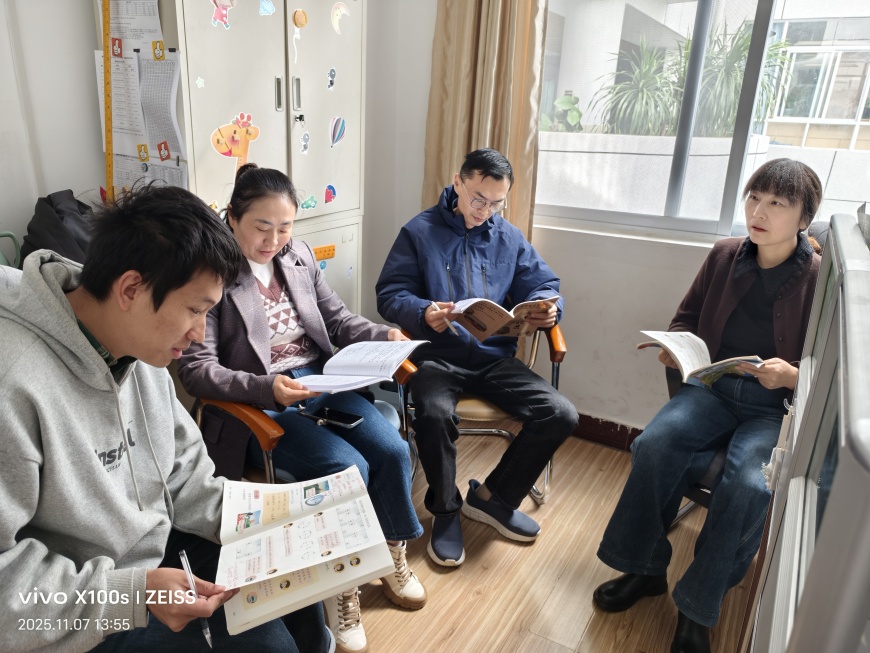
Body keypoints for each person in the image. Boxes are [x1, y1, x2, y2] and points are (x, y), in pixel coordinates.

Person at [0, 184, 330, 653]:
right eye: (195, 310)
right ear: (131, 289)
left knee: (297, 582)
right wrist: (133, 595)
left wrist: (276, 518)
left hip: (154, 552)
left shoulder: (142, 352)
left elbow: (188, 481)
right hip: (78, 605)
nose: (198, 334)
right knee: (268, 646)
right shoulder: (15, 383)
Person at [177, 164, 426, 653]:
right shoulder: (212, 273)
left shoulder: (298, 256)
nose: (273, 241)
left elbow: (338, 319)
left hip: (321, 385)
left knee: (394, 450)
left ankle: (390, 554)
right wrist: (267, 388)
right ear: (233, 217)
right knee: (347, 468)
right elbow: (197, 369)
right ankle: (344, 586)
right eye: (261, 227)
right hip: (261, 403)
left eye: (285, 227)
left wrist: (384, 335)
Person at [592, 159, 823, 653]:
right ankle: (644, 570)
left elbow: (830, 366)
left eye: (777, 203)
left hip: (773, 409)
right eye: (754, 198)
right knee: (653, 445)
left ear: (804, 219)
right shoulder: (723, 256)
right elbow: (686, 318)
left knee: (748, 485)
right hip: (712, 390)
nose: (758, 212)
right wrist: (676, 348)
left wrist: (792, 375)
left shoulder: (820, 280)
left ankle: (698, 605)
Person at [375, 148, 578, 567]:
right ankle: (446, 511)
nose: (485, 211)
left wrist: (548, 307)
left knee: (560, 414)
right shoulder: (419, 231)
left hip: (493, 360)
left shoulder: (509, 237)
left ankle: (492, 498)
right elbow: (390, 294)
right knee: (434, 414)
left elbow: (544, 284)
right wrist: (423, 311)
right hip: (435, 358)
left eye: (496, 203)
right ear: (458, 183)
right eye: (478, 199)